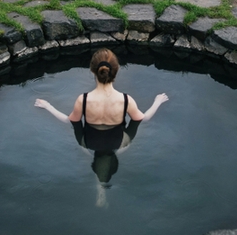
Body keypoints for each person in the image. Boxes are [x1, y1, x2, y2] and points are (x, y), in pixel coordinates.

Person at [34, 48, 168, 206]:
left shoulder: (83, 100)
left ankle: (100, 186)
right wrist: (157, 102)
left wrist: (48, 106)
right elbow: (144, 119)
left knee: (77, 126)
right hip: (119, 145)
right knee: (135, 123)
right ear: (115, 72)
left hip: (88, 145)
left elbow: (67, 121)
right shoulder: (126, 100)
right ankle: (102, 182)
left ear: (93, 71)